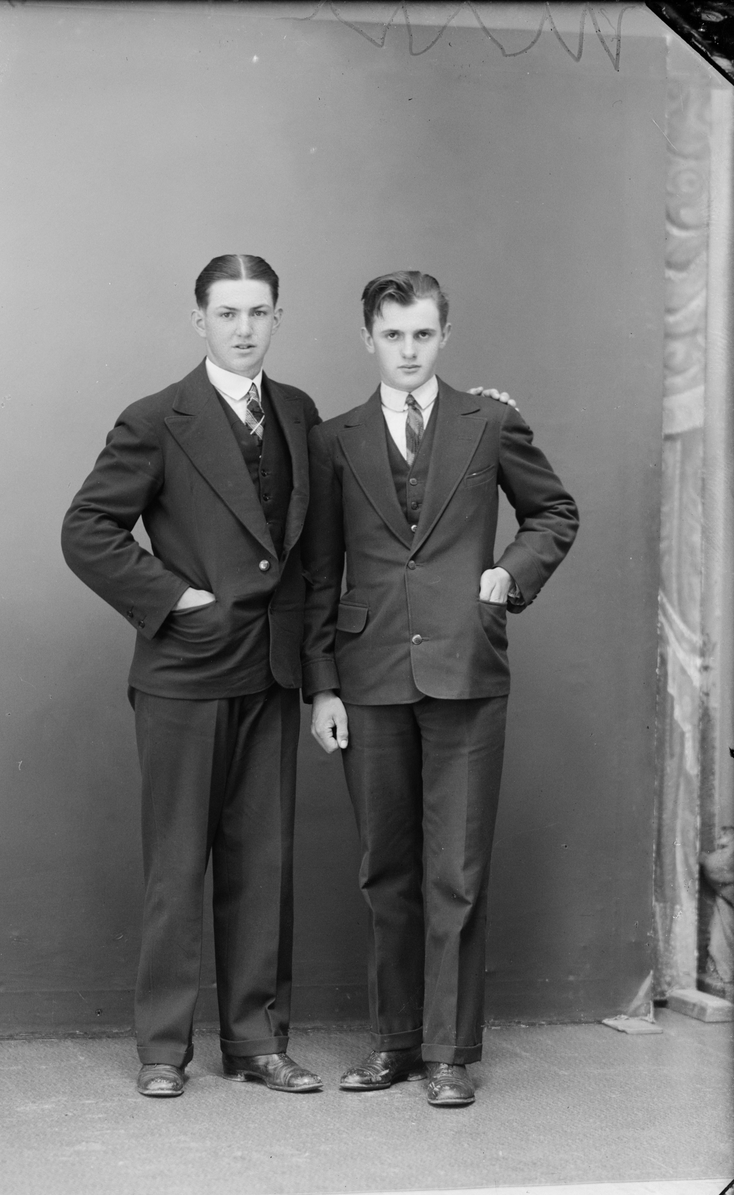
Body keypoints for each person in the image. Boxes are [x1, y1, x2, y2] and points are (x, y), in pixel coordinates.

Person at [302, 270, 579, 1107]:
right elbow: (319, 571)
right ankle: (394, 1044)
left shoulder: (488, 421)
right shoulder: (334, 439)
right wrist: (323, 687)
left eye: (422, 334)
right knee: (384, 869)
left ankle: (449, 1054)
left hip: (466, 669)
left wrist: (508, 574)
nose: (408, 350)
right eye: (392, 335)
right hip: (369, 674)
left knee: (455, 870)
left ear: (443, 336)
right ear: (368, 339)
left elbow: (553, 512)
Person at [61, 254, 324, 1097]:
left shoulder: (298, 412)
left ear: (278, 317)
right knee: (177, 867)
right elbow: (86, 530)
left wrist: (483, 412)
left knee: (262, 865)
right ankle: (162, 1051)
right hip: (184, 674)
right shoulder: (155, 418)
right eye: (228, 313)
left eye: (258, 312)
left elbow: (320, 537)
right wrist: (177, 599)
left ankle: (255, 1043)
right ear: (199, 320)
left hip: (271, 672)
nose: (244, 329)